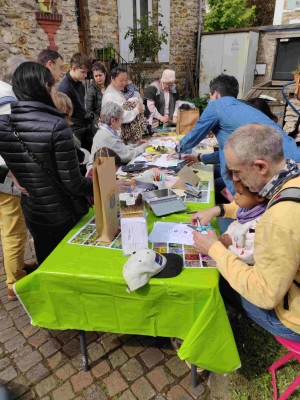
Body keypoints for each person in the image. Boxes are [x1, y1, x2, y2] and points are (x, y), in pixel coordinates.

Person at [191, 123, 300, 340]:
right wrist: (219, 208)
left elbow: (264, 293)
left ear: (260, 166)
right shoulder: (289, 174)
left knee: (212, 279)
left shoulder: (279, 219)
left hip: (292, 320)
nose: (234, 179)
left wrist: (215, 250)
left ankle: (205, 338)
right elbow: (257, 205)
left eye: (236, 172)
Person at [0, 62, 93, 269]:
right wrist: (101, 184)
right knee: (69, 266)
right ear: (44, 86)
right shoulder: (56, 125)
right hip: (61, 212)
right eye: (52, 86)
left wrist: (8, 173)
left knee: (46, 263)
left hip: (32, 209)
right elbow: (73, 183)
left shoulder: (4, 122)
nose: (55, 91)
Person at [170, 75, 300, 195]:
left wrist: (177, 148)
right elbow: (228, 150)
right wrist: (200, 157)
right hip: (292, 163)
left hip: (277, 172)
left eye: (210, 96)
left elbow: (194, 136)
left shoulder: (216, 105)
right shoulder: (243, 107)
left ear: (215, 94)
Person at [0, 56, 38, 301]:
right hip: (6, 175)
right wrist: (15, 173)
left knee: (9, 226)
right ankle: (14, 282)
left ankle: (18, 269)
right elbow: (7, 146)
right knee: (14, 229)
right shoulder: (7, 100)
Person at [86, 102, 148, 171]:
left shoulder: (104, 131)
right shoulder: (106, 136)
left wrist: (136, 145)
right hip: (98, 176)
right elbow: (126, 155)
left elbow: (120, 149)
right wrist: (144, 147)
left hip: (102, 172)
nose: (121, 122)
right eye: (121, 119)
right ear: (113, 121)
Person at [218, 180, 267, 265]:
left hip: (242, 265)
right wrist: (225, 236)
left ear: (259, 196)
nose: (235, 197)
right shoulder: (245, 210)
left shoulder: (258, 224)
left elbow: (251, 256)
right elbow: (234, 224)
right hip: (230, 251)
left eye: (240, 193)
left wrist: (228, 247)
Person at [58, 52, 93, 150]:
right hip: (75, 131)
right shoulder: (64, 88)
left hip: (84, 128)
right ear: (73, 68)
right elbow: (62, 115)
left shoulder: (80, 84)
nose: (85, 75)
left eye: (86, 72)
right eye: (83, 72)